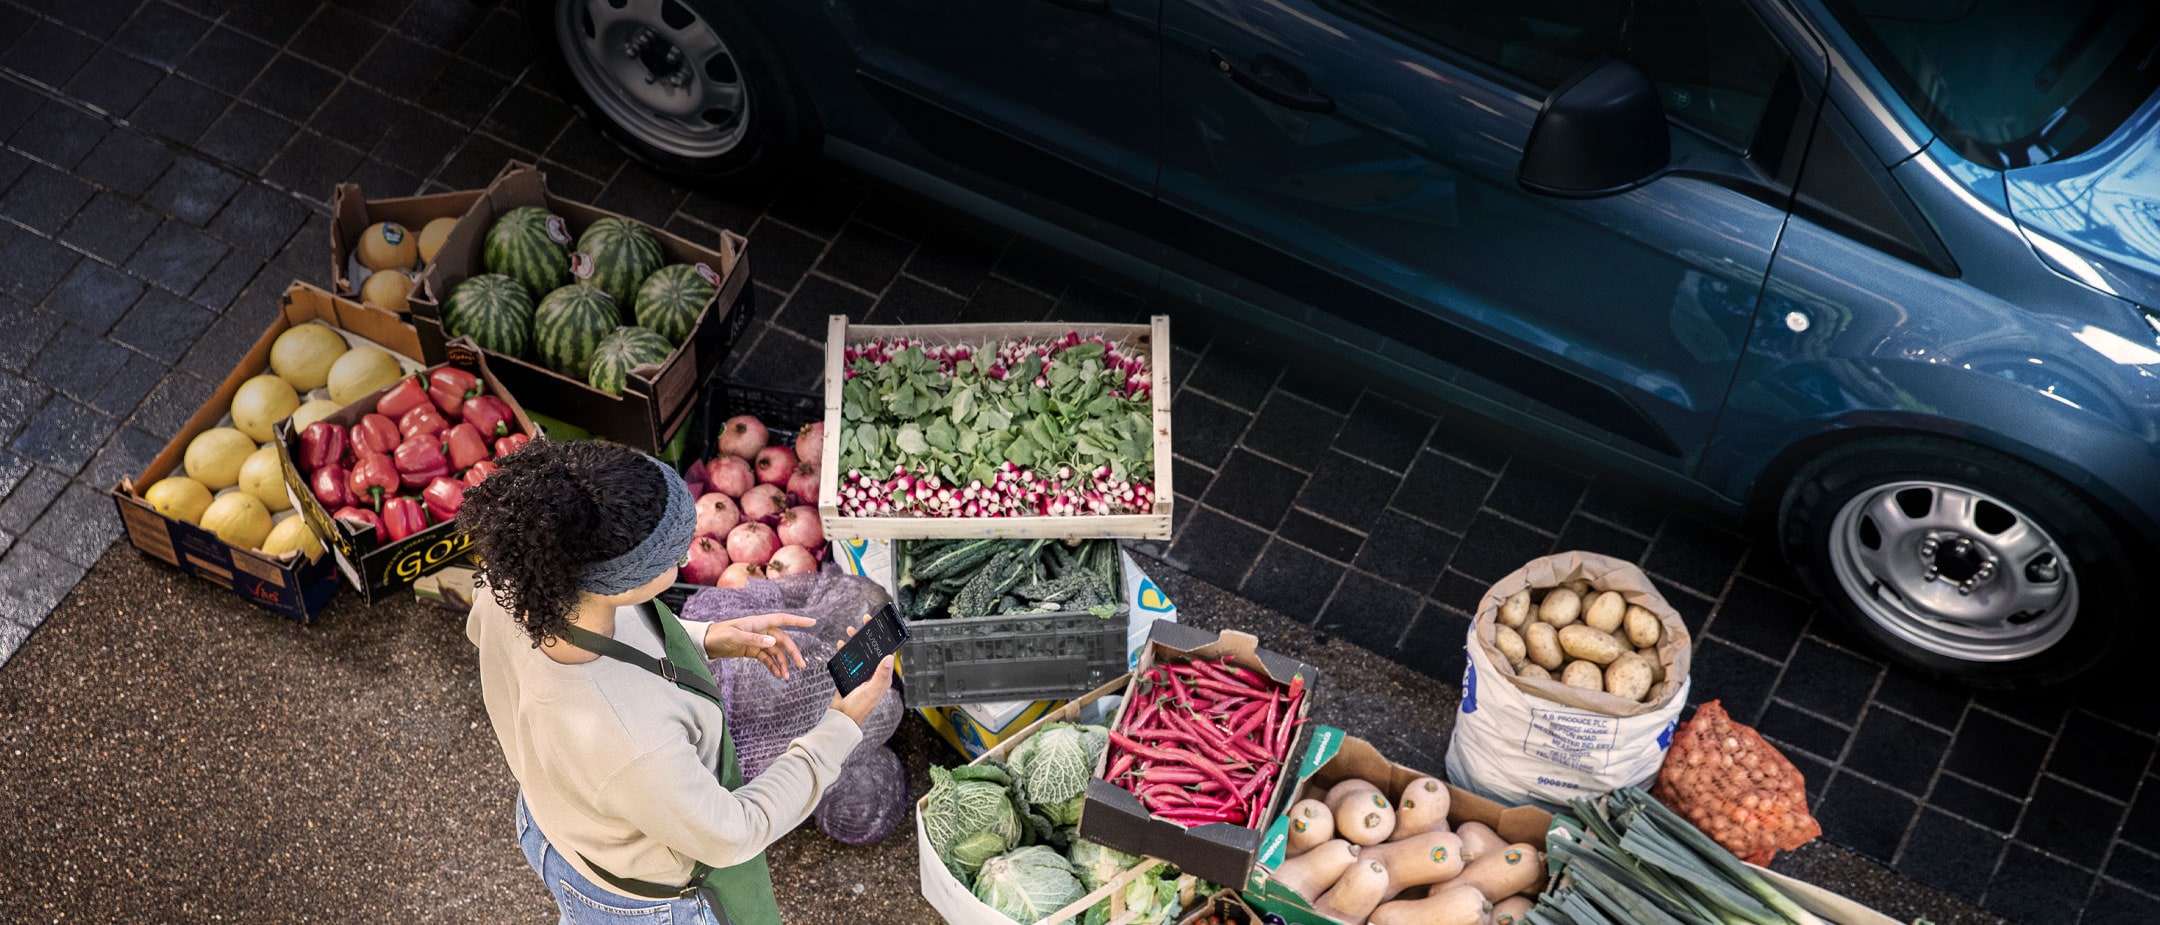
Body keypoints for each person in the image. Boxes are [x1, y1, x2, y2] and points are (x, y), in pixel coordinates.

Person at [459, 439, 894, 924]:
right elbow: (733, 832)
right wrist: (840, 725)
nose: (687, 557)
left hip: (557, 826)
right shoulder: (630, 742)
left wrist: (705, 637)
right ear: (623, 583)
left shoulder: (517, 586)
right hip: (638, 900)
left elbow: (604, 632)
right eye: (672, 556)